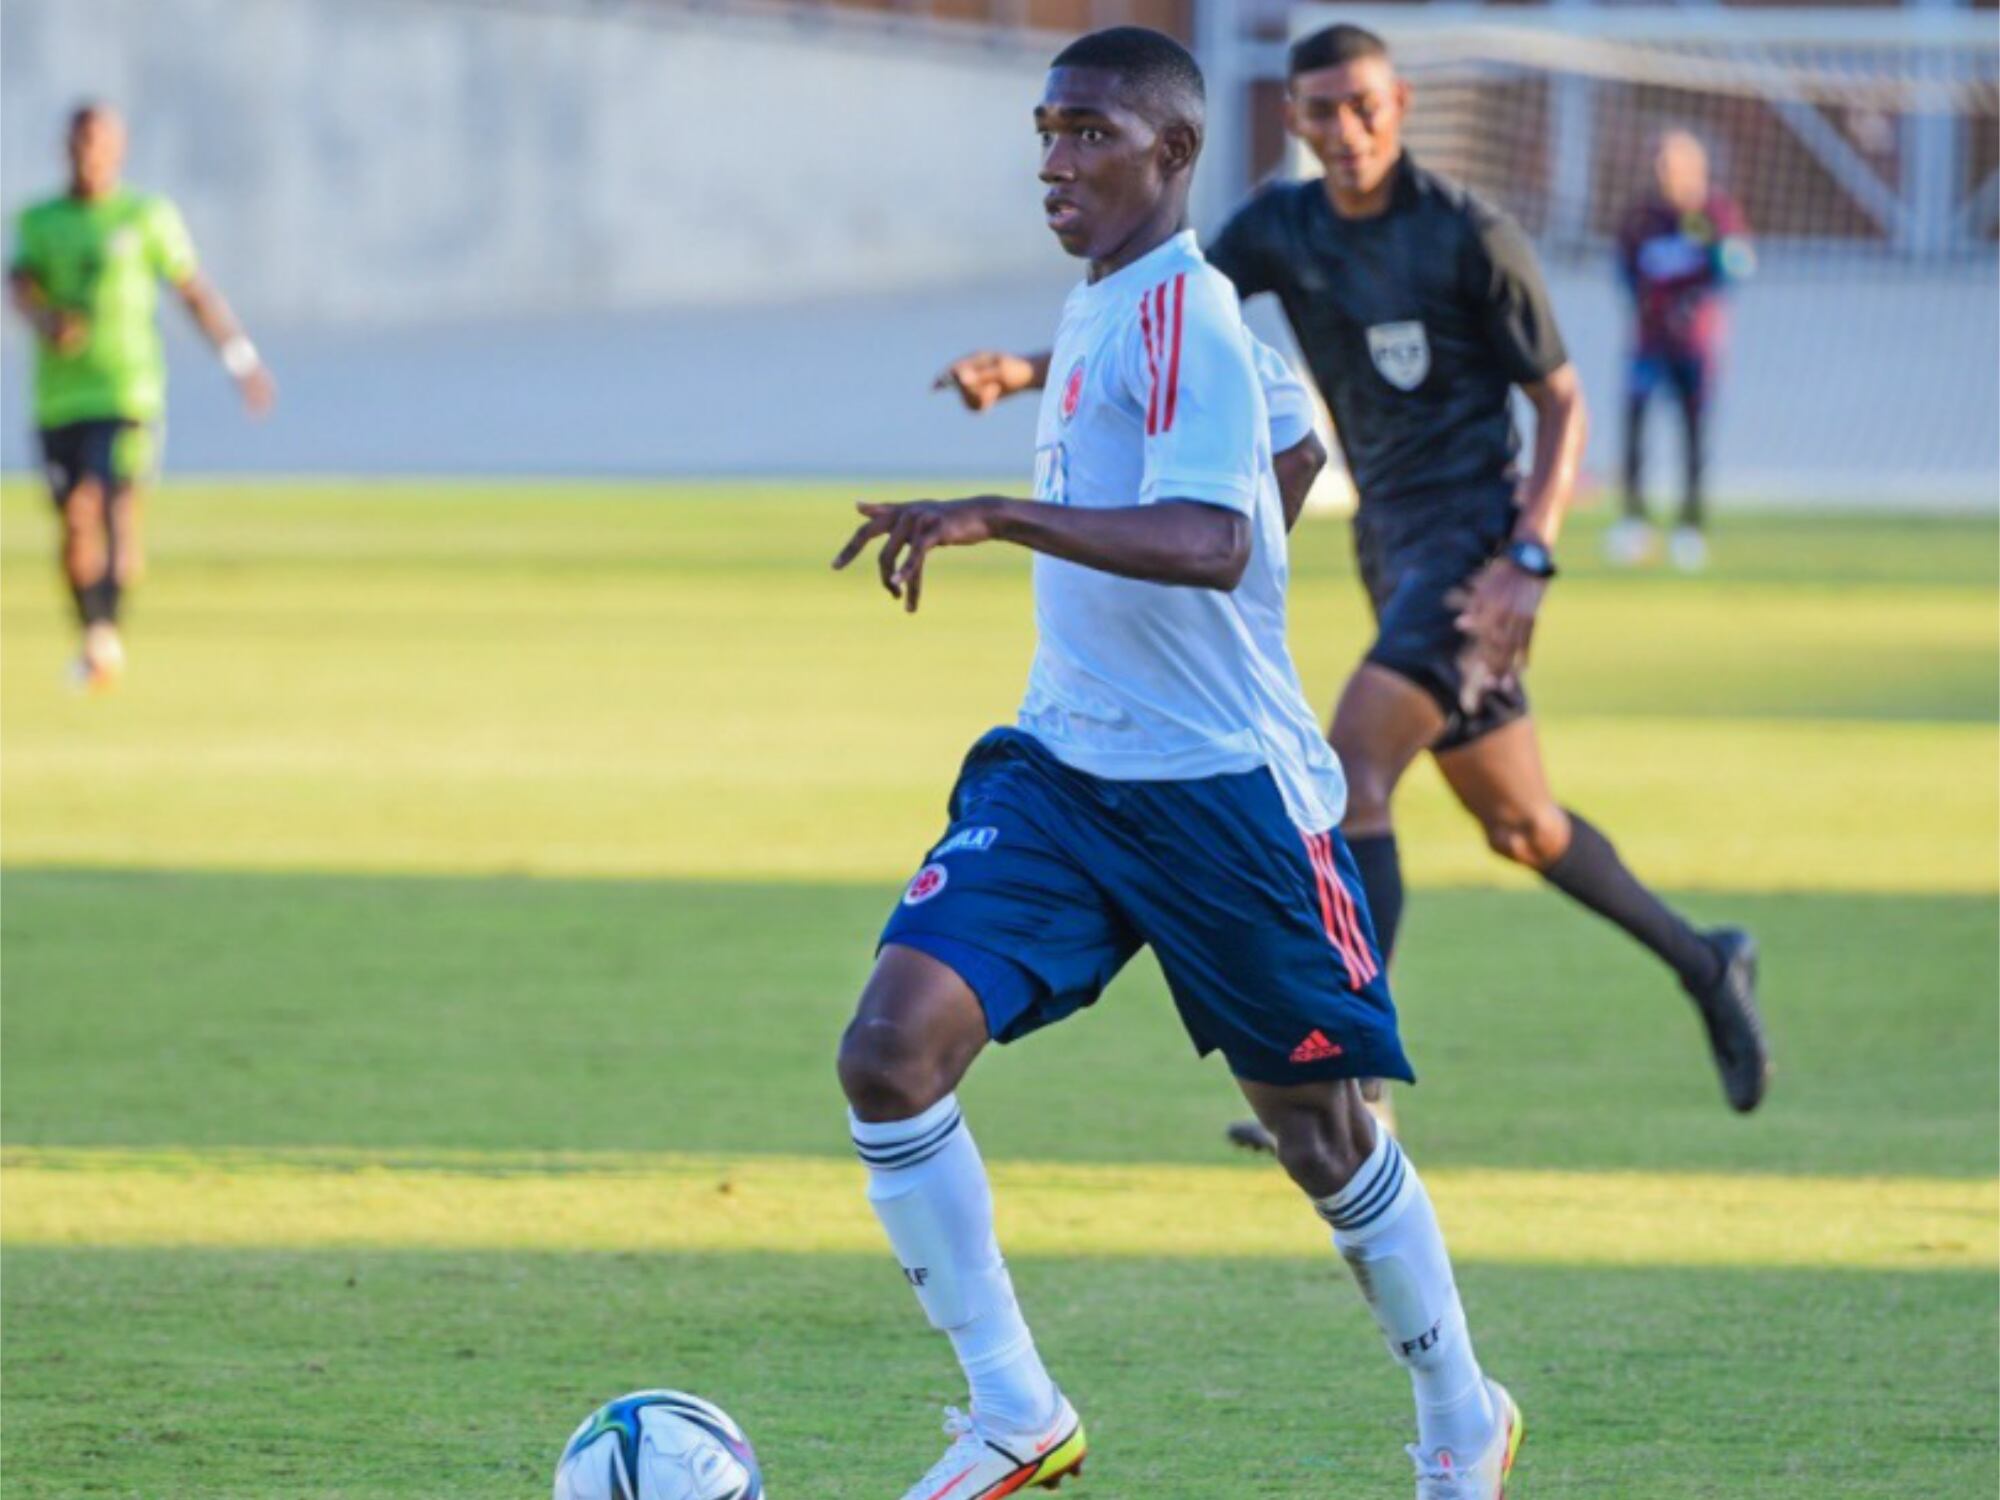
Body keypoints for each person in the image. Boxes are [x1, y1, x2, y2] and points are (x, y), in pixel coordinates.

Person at [836, 28, 1522, 1500]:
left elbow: (1215, 543)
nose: (1053, 161)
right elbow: (1283, 454)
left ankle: (1463, 1417)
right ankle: (1015, 1410)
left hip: (1226, 801)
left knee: (1322, 1139)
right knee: (890, 1054)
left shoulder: (1191, 316)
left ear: (1174, 153)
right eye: (1047, 129)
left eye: (1089, 133)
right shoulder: (1108, 307)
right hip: (1064, 775)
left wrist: (997, 514)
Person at [942, 24, 1771, 1144]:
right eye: (1321, 111)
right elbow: (1166, 309)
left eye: (1364, 106)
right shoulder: (1283, 226)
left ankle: (1338, 1080)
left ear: (1401, 105)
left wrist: (1529, 559)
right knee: (1520, 825)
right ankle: (1704, 958)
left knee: (1351, 766)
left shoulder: (1468, 234)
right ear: (1294, 121)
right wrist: (1030, 367)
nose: (1346, 130)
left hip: (1473, 552)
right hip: (1388, 550)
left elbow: (1564, 404)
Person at [7, 103, 275, 690]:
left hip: (130, 391)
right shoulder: (39, 220)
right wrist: (47, 319)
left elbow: (192, 289)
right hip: (60, 398)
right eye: (81, 141)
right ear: (67, 147)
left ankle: (106, 636)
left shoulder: (146, 216)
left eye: (100, 142)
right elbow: (18, 285)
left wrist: (240, 358)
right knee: (76, 519)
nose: (89, 153)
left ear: (119, 149)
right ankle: (94, 634)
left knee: (117, 513)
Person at [1606, 129, 1754, 572]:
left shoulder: (1715, 214)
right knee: (1634, 428)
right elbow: (1625, 270)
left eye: (1673, 164)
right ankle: (1634, 522)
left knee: (1694, 437)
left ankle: (1691, 528)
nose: (1665, 173)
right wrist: (1650, 309)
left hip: (1695, 347)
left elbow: (1736, 268)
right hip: (1649, 345)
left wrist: (1719, 263)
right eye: (1660, 164)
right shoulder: (1641, 217)